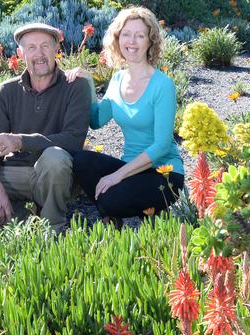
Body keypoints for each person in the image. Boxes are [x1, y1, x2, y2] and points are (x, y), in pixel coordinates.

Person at [0, 23, 91, 231]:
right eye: (31, 48)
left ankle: (53, 228)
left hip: (58, 176)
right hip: (17, 173)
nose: (40, 54)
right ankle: (26, 225)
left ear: (56, 50)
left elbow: (73, 140)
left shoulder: (75, 87)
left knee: (55, 157)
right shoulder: (7, 91)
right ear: (20, 53)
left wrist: (20, 141)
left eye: (45, 46)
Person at [65, 7, 184, 225]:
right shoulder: (118, 79)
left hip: (165, 174)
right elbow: (97, 121)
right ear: (118, 39)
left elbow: (162, 146)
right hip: (131, 168)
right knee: (81, 160)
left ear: (151, 41)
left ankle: (126, 210)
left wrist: (117, 176)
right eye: (127, 34)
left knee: (110, 199)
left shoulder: (163, 85)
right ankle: (114, 214)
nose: (132, 41)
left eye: (140, 35)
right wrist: (89, 84)